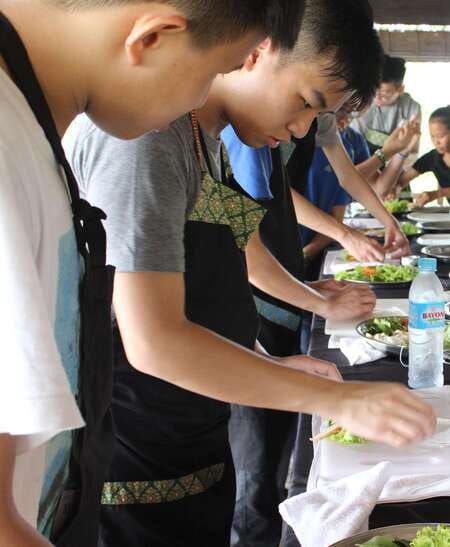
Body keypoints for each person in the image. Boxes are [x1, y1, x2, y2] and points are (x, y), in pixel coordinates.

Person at [64, 1, 436, 545]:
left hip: (193, 434)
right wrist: (337, 401)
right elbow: (153, 341)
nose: (300, 129)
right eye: (305, 103)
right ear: (257, 49)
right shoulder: (149, 140)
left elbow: (236, 256)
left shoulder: (203, 139)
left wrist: (277, 357)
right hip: (135, 453)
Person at [0, 1, 281, 545]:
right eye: (210, 74)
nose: (203, 99)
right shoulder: (31, 146)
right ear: (154, 37)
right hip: (134, 456)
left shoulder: (33, 128)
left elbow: (240, 242)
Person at [350, 54, 422, 160]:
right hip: (361, 160)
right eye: (373, 89)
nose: (377, 96)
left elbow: (413, 148)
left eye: (385, 92)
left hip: (396, 162)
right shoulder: (360, 102)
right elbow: (352, 145)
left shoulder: (411, 108)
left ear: (400, 90)